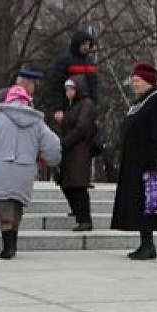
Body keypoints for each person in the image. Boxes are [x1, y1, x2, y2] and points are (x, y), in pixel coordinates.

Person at [0, 85, 61, 259]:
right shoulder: (37, 121)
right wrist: (52, 159)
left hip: (0, 169)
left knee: (2, 208)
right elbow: (53, 145)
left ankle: (7, 247)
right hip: (25, 171)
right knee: (16, 207)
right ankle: (13, 245)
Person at [110, 61, 157, 260]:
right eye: (133, 80)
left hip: (148, 166)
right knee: (139, 206)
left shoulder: (156, 102)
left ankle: (148, 245)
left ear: (148, 82)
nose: (133, 84)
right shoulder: (140, 103)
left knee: (147, 206)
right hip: (136, 164)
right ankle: (144, 243)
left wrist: (153, 166)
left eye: (137, 80)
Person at [57, 75, 96, 232]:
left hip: (79, 150)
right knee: (66, 183)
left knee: (78, 184)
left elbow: (81, 127)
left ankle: (85, 219)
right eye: (66, 88)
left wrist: (64, 142)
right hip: (69, 150)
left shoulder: (86, 104)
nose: (68, 92)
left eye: (71, 88)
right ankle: (77, 211)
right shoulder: (72, 105)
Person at [47, 30, 98, 123]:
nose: (86, 47)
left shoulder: (90, 62)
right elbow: (56, 85)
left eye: (88, 44)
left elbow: (94, 85)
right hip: (69, 105)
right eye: (84, 44)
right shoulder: (64, 60)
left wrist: (95, 105)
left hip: (86, 106)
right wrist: (58, 108)